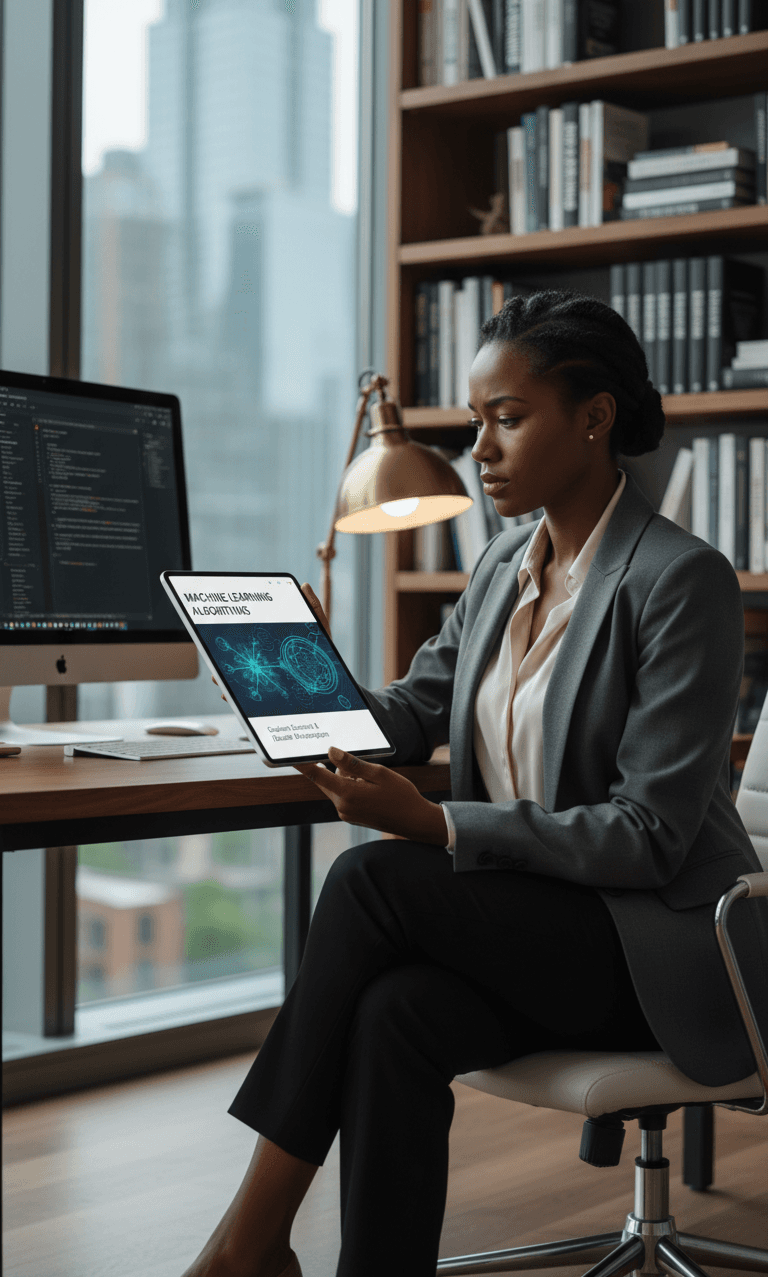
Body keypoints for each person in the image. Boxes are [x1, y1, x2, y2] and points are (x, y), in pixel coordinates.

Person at [180, 290, 768, 1277]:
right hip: (540, 932)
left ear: (594, 418)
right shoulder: (501, 566)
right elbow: (412, 708)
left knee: (369, 880)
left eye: (506, 418)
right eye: (473, 422)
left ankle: (249, 1240)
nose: (479, 449)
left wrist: (439, 823)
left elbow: (650, 835)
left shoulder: (680, 581)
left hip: (659, 949)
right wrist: (304, 677)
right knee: (393, 1015)